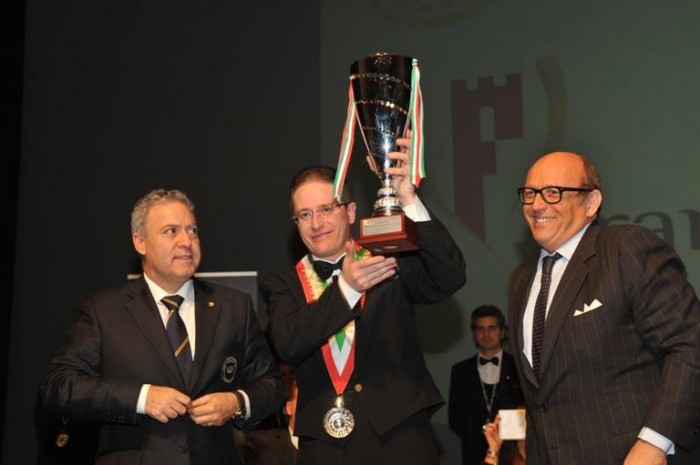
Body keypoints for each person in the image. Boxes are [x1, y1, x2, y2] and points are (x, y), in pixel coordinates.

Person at [259, 137, 467, 464]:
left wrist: (408, 199)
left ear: (351, 211)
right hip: (324, 446)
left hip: (400, 437)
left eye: (326, 209)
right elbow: (288, 344)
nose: (316, 223)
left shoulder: (386, 256)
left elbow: (449, 277)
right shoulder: (284, 284)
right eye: (304, 214)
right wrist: (347, 288)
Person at [40, 188, 285, 465]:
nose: (186, 241)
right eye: (171, 231)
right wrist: (142, 398)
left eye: (192, 230)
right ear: (140, 242)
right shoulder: (104, 311)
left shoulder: (234, 307)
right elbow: (59, 387)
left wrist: (236, 403)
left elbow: (272, 386)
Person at [507, 151, 700, 464]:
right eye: (529, 193)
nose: (537, 205)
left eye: (553, 192)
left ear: (591, 202)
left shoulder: (624, 249)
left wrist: (654, 444)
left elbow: (689, 345)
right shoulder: (521, 279)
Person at [448, 305, 524, 465]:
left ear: (502, 332)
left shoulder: (517, 367)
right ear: (474, 334)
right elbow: (455, 417)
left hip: (512, 454)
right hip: (473, 452)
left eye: (492, 328)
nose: (486, 334)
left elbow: (524, 409)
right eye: (480, 329)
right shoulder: (460, 371)